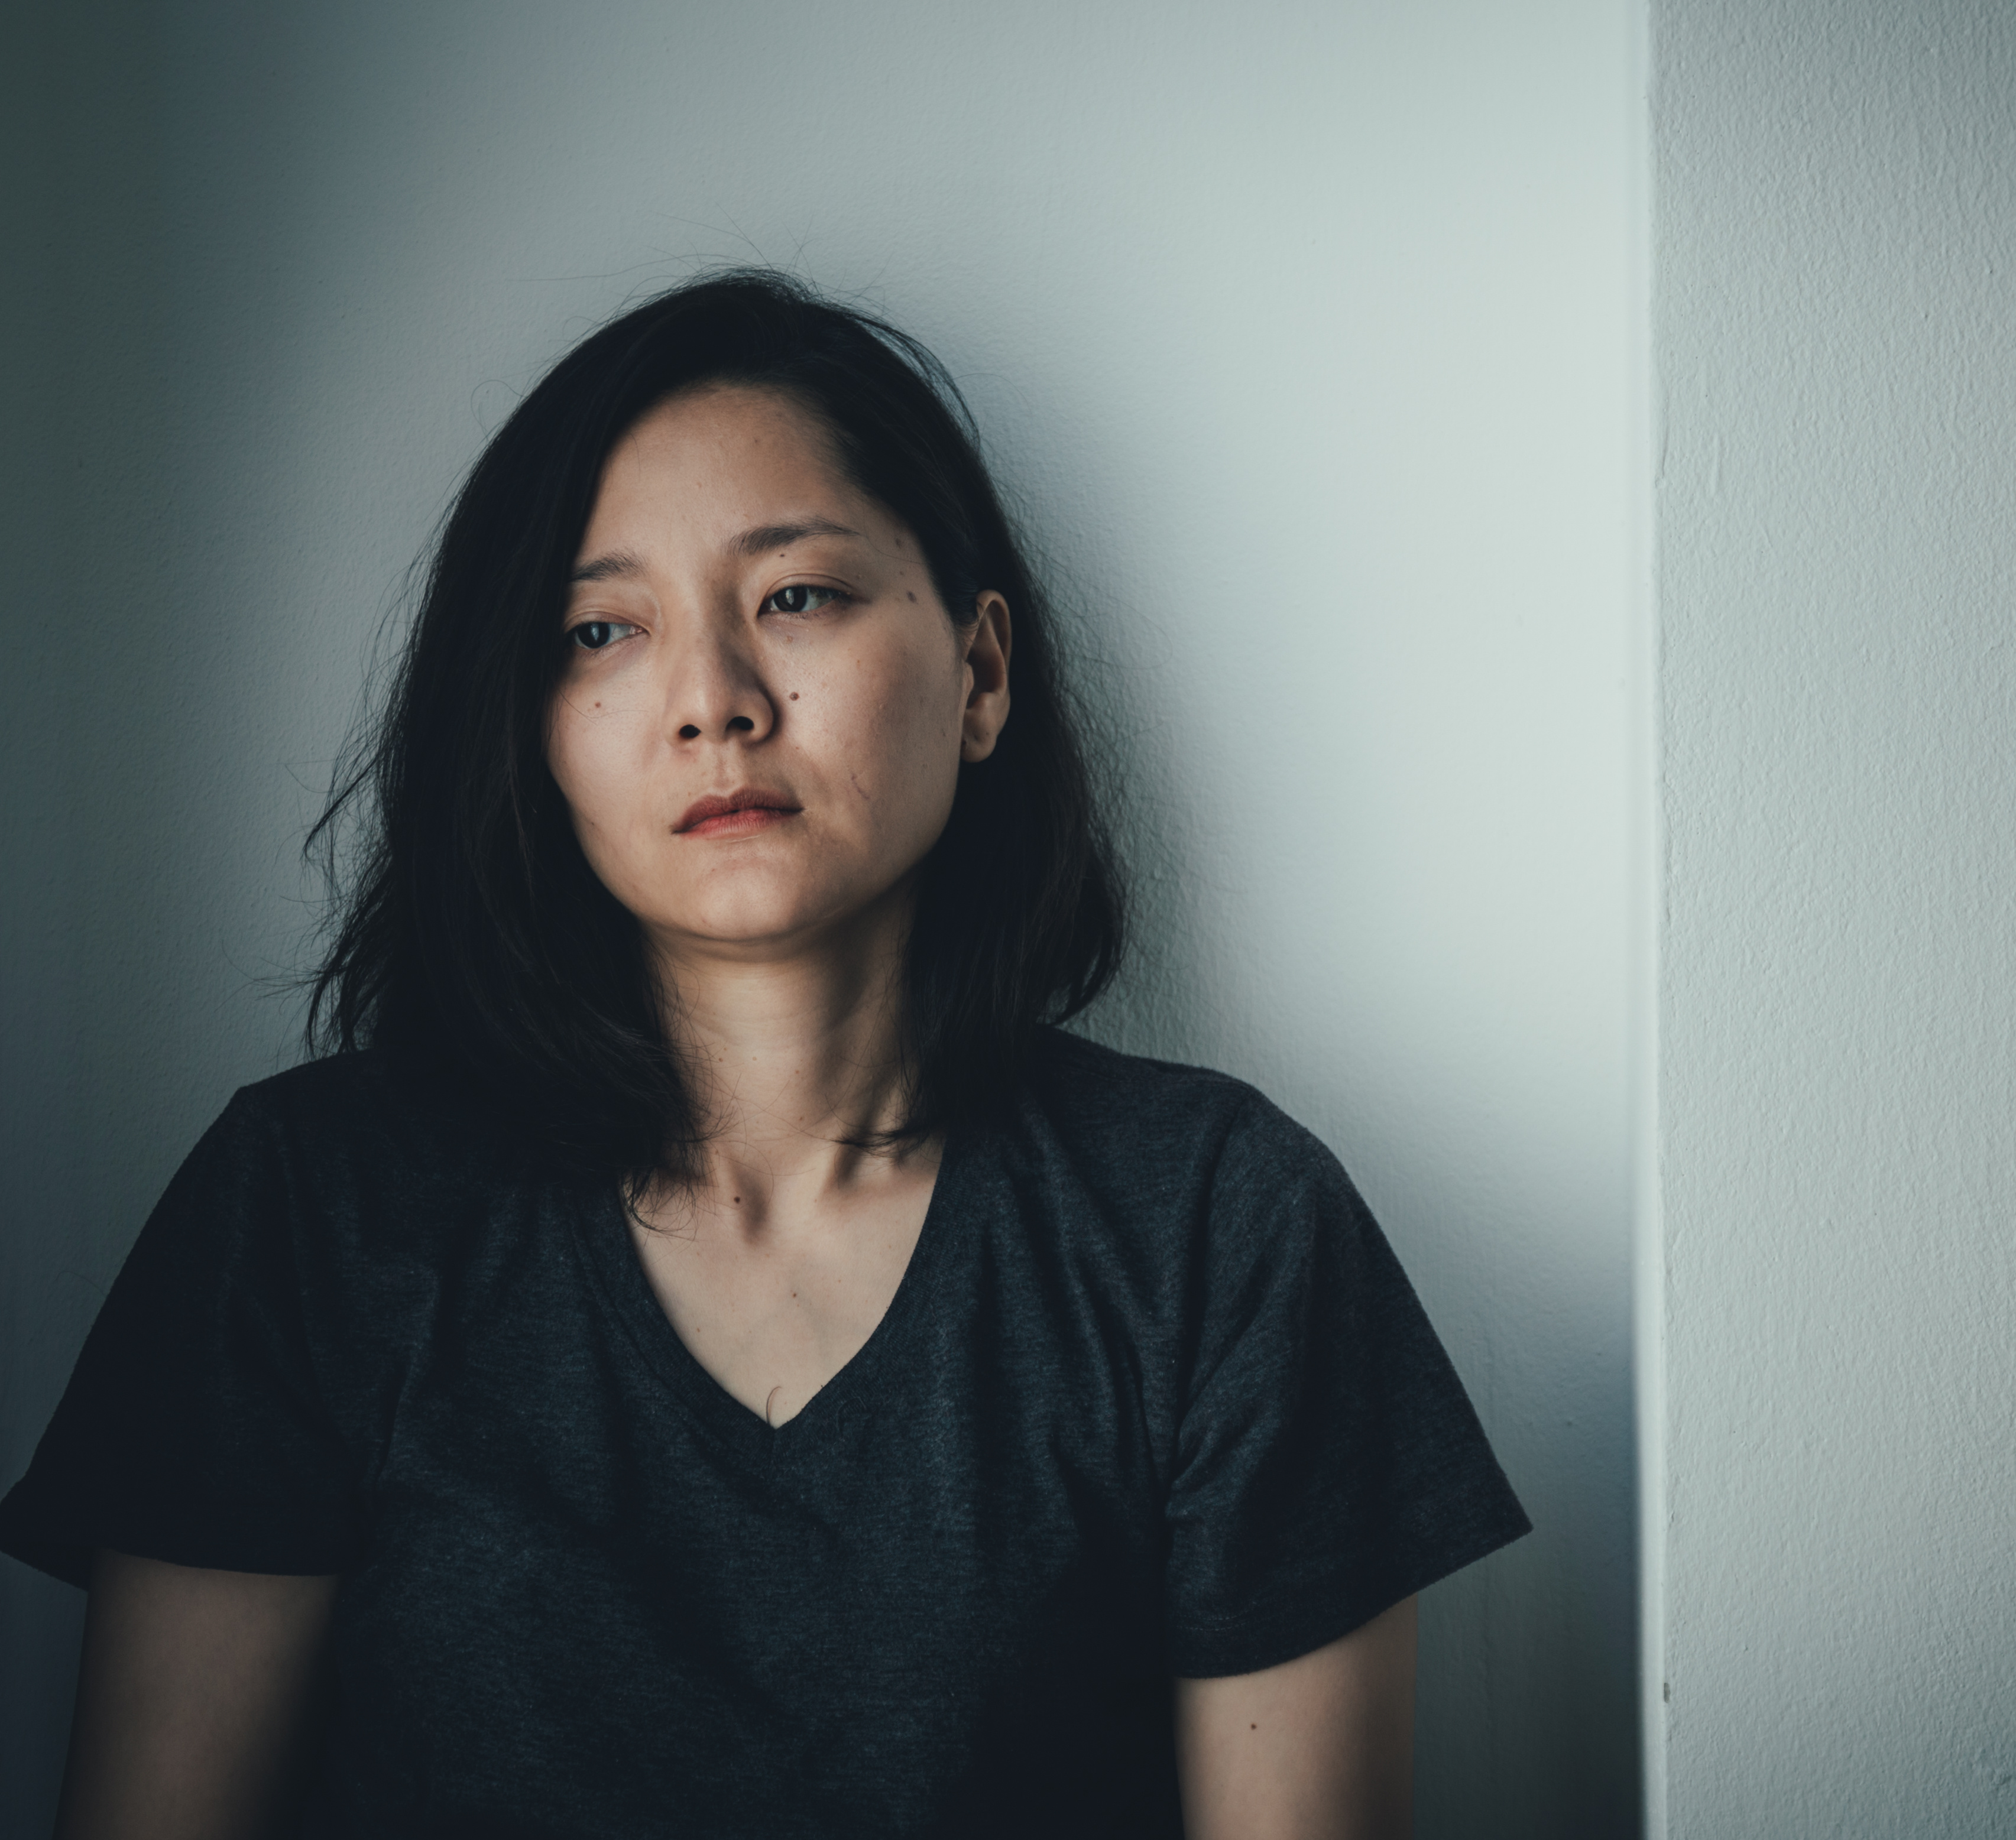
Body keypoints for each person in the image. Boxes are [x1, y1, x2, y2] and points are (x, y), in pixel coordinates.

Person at [0, 271, 1529, 1838]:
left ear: (982, 672)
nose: (712, 703)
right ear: (532, 727)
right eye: (603, 628)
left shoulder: (1221, 1229)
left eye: (795, 596)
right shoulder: (311, 1213)